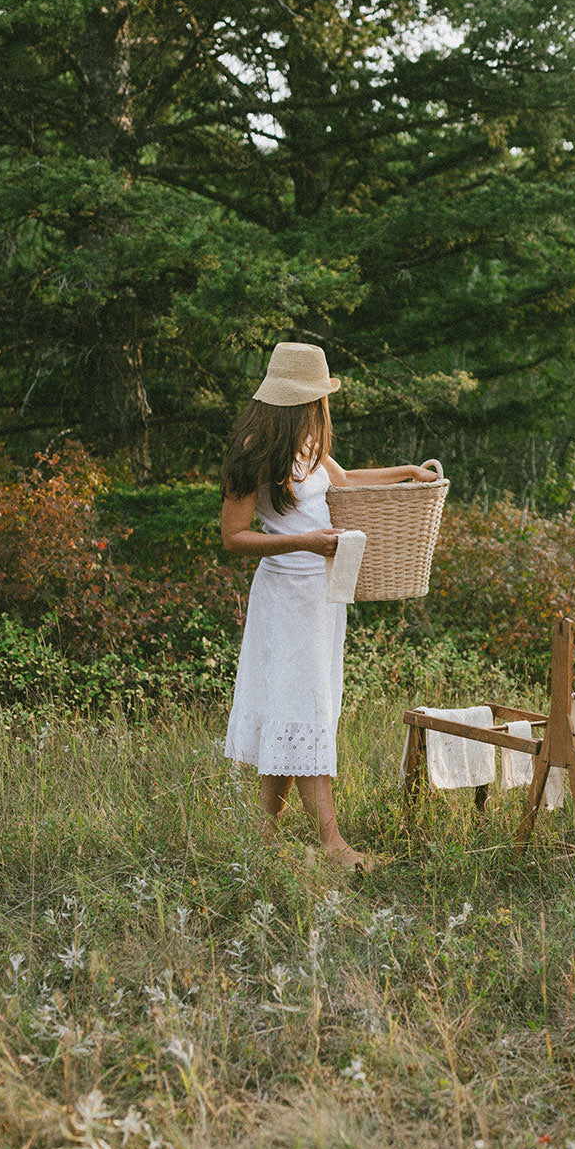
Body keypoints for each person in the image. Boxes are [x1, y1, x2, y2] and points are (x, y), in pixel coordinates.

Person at [220, 341, 437, 871]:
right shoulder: (255, 449)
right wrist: (305, 542)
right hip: (286, 595)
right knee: (306, 709)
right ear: (301, 400)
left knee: (294, 711)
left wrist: (407, 472)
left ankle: (264, 838)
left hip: (322, 594)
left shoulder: (308, 444)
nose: (323, 407)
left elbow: (345, 483)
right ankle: (334, 845)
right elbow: (233, 536)